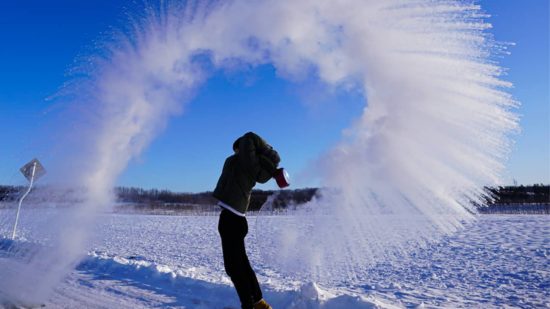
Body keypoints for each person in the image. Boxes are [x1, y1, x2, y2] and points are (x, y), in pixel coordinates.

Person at [213, 132, 281, 309]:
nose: (234, 153)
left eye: (237, 149)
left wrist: (262, 147)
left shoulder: (246, 161)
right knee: (241, 264)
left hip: (231, 218)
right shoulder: (251, 165)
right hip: (236, 218)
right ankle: (258, 302)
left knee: (234, 268)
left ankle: (249, 305)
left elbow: (250, 136)